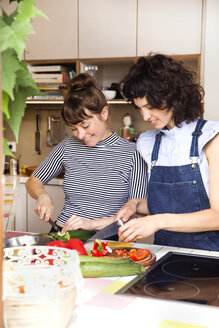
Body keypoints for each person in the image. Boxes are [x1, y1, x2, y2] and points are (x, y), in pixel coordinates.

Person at [115, 54, 219, 251]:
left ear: (174, 96)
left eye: (150, 106)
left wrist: (157, 222)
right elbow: (167, 204)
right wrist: (135, 204)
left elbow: (217, 216)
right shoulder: (149, 143)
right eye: (139, 108)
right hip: (163, 254)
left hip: (209, 257)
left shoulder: (211, 137)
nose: (145, 116)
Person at [25, 73, 147, 237]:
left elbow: (135, 213)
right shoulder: (68, 146)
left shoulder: (133, 154)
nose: (80, 135)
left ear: (104, 113)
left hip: (108, 238)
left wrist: (90, 224)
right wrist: (42, 196)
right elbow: (33, 181)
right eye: (73, 128)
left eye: (85, 125)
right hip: (63, 232)